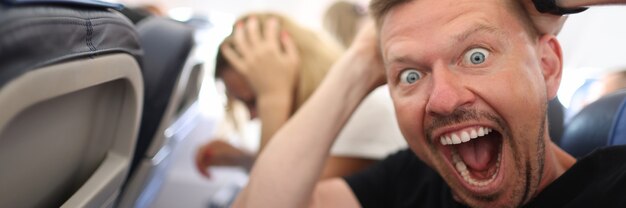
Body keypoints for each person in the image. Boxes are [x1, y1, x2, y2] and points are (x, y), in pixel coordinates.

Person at [231, 0, 626, 207]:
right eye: (410, 76)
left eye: (476, 56)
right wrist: (360, 61)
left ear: (547, 66)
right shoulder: (413, 182)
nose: (442, 99)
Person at [195, 13, 406, 179]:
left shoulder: (365, 111)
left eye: (253, 100)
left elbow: (276, 196)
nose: (252, 117)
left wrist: (273, 97)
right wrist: (243, 160)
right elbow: (299, 172)